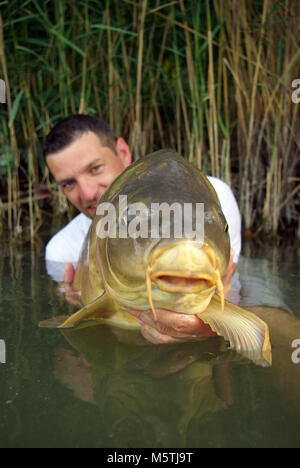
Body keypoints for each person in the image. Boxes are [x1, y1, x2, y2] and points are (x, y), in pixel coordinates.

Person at [44, 114, 241, 344]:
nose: (87, 193)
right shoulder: (60, 250)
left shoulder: (210, 200)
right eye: (69, 183)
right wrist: (79, 301)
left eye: (95, 168)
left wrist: (214, 318)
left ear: (123, 153)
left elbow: (231, 288)